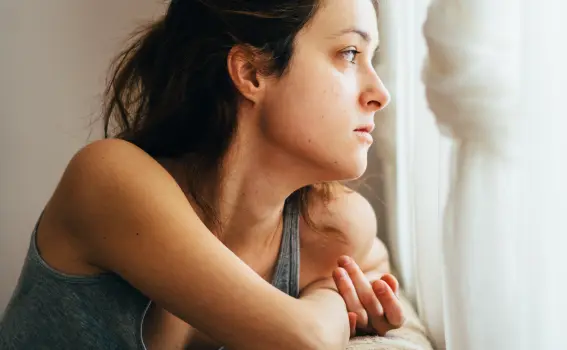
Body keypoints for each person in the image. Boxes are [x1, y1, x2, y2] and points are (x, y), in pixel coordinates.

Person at [0, 0, 405, 349]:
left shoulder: (331, 225)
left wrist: (343, 290)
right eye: (350, 53)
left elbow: (374, 262)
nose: (380, 93)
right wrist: (332, 297)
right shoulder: (107, 179)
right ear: (251, 73)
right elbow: (306, 341)